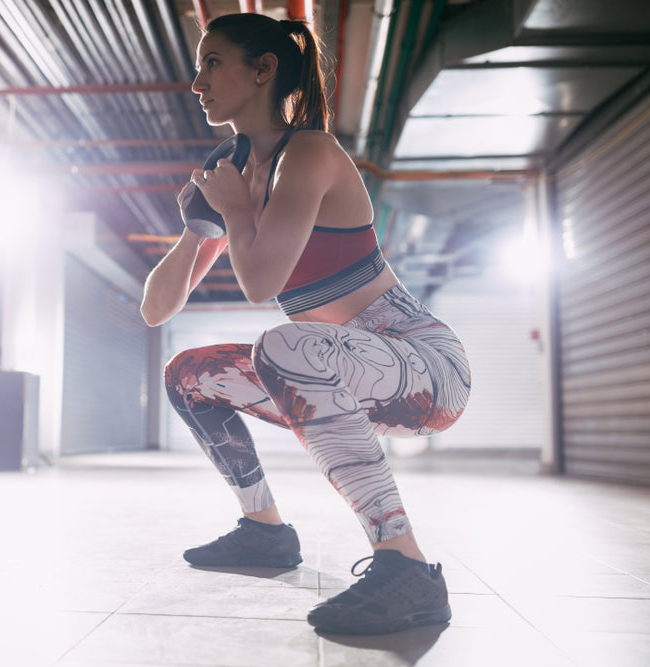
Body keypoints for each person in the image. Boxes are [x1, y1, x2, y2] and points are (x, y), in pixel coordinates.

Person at [140, 12, 471, 636]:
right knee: (190, 373)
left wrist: (236, 210)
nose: (197, 82)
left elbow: (261, 283)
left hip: (426, 368)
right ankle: (264, 532)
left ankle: (407, 567)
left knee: (285, 344)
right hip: (337, 367)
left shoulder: (311, 153)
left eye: (213, 63)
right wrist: (198, 228)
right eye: (197, 66)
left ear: (263, 69)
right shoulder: (235, 172)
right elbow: (156, 309)